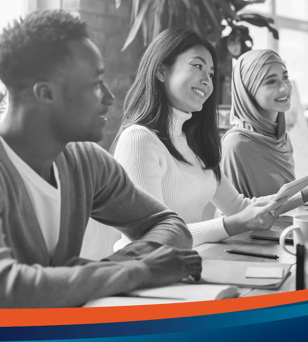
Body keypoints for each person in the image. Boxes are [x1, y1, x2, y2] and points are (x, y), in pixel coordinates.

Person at [0, 10, 201, 308]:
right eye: (95, 84)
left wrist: (108, 270)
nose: (109, 96)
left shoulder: (85, 161)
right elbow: (9, 289)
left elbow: (170, 225)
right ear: (45, 93)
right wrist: (139, 270)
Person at [112, 29, 308, 249]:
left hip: (189, 263)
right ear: (161, 71)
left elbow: (239, 206)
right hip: (150, 277)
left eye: (211, 74)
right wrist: (235, 224)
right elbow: (152, 238)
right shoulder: (139, 140)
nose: (207, 80)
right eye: (197, 66)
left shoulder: (192, 142)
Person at [221, 49, 308, 207]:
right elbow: (237, 213)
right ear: (248, 91)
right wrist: (307, 195)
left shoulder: (281, 137)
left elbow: (282, 200)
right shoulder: (236, 145)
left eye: (285, 77)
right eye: (271, 81)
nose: (284, 88)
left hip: (285, 228)